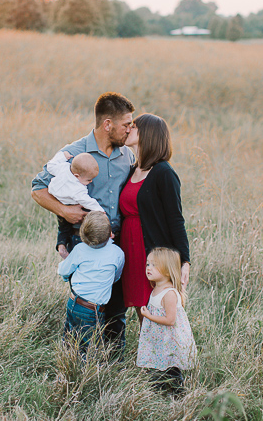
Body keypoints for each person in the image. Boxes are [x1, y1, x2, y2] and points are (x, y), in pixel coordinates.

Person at [31, 92, 136, 354]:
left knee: (116, 310)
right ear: (107, 124)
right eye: (126, 124)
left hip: (120, 242)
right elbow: (37, 189)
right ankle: (78, 364)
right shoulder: (74, 154)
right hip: (85, 241)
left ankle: (113, 363)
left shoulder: (128, 156)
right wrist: (64, 211)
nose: (131, 130)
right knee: (86, 307)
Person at [119, 113, 190, 323]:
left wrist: (185, 261)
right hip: (128, 248)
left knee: (154, 311)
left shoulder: (164, 173)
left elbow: (176, 219)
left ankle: (162, 355)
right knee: (138, 309)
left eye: (134, 126)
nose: (128, 129)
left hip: (149, 250)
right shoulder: (132, 169)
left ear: (147, 134)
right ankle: (146, 354)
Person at [58, 211, 125, 352]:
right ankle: (82, 372)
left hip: (74, 302)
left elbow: (64, 271)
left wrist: (66, 276)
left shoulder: (80, 249)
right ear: (110, 233)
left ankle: (66, 368)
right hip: (93, 310)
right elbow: (116, 276)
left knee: (69, 339)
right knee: (88, 348)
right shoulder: (117, 253)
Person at [137, 247, 196, 394]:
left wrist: (148, 316)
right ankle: (158, 392)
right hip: (159, 339)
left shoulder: (169, 293)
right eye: (147, 264)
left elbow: (170, 320)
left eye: (154, 265)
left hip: (169, 341)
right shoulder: (156, 288)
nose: (148, 268)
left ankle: (179, 395)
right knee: (156, 366)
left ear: (168, 271)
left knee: (171, 369)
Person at [45, 151, 104, 250]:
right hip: (67, 204)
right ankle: (66, 247)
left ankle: (62, 243)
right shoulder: (77, 190)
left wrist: (62, 156)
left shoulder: (63, 168)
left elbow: (51, 165)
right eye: (88, 180)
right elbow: (88, 201)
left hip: (56, 196)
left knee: (62, 227)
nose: (91, 182)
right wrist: (100, 210)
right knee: (67, 225)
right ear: (77, 176)